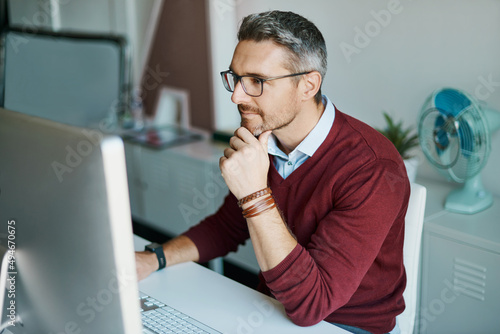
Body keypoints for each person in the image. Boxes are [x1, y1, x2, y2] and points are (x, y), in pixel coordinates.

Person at [136, 10, 409, 334]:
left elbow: (313, 305)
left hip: (345, 326)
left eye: (256, 81)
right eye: (235, 78)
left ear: (308, 85)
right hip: (274, 309)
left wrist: (254, 193)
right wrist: (155, 258)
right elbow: (227, 227)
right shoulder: (265, 140)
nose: (237, 95)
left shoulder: (372, 168)